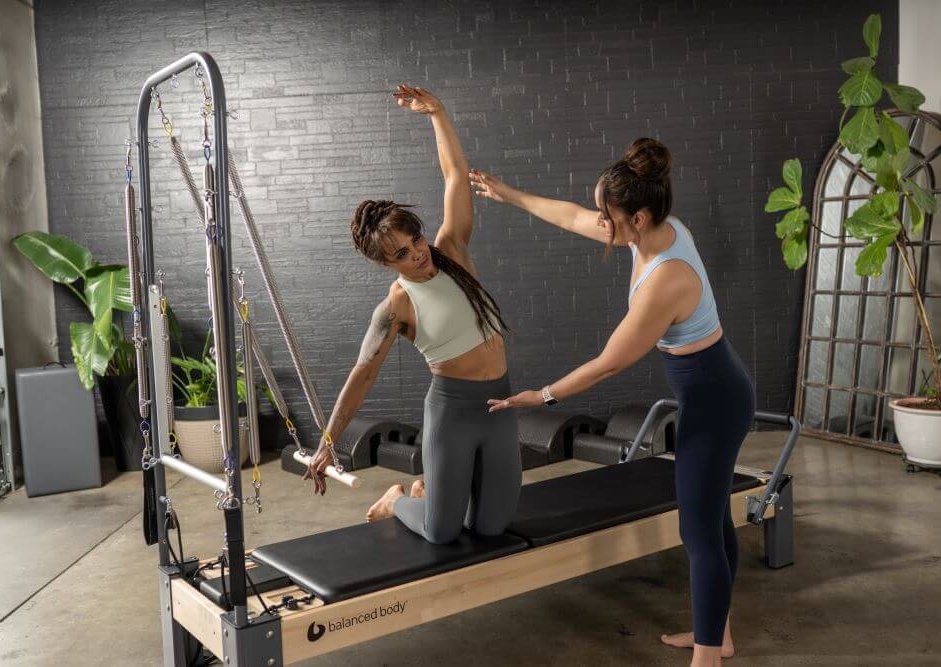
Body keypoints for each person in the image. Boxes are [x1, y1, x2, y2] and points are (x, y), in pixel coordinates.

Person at [473, 138, 755, 667]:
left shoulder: (666, 279)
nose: (602, 222)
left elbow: (608, 363)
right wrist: (507, 194)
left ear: (639, 217)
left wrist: (542, 395)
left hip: (717, 401)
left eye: (611, 215)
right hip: (710, 390)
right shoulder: (651, 230)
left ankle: (708, 657)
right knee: (711, 518)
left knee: (696, 527)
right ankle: (716, 633)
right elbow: (570, 216)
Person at [304, 85, 521, 546]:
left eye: (415, 241)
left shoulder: (452, 251)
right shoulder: (396, 305)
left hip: (500, 404)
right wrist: (328, 442)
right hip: (453, 412)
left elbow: (455, 177)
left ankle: (427, 491)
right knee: (442, 532)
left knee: (490, 527)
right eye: (402, 255)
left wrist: (438, 113)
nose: (417, 255)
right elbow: (362, 375)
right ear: (387, 265)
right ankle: (398, 499)